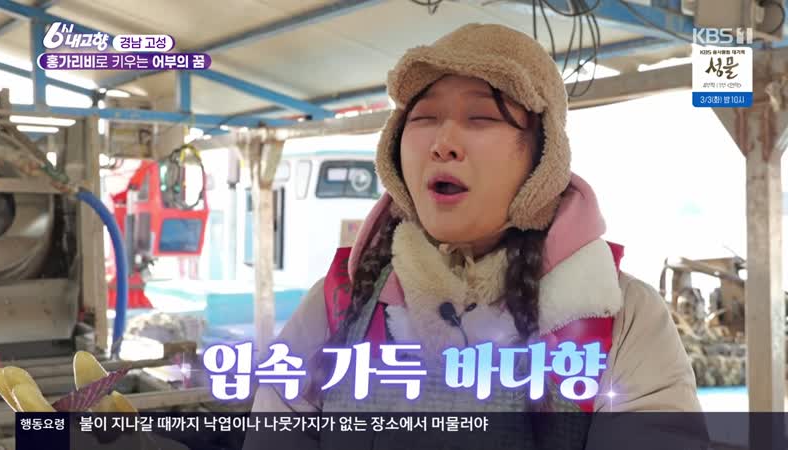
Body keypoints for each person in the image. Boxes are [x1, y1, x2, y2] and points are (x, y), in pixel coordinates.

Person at [245, 22, 702, 449]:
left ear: (542, 158)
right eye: (424, 117)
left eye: (481, 117)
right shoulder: (338, 305)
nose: (443, 143)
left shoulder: (618, 317)